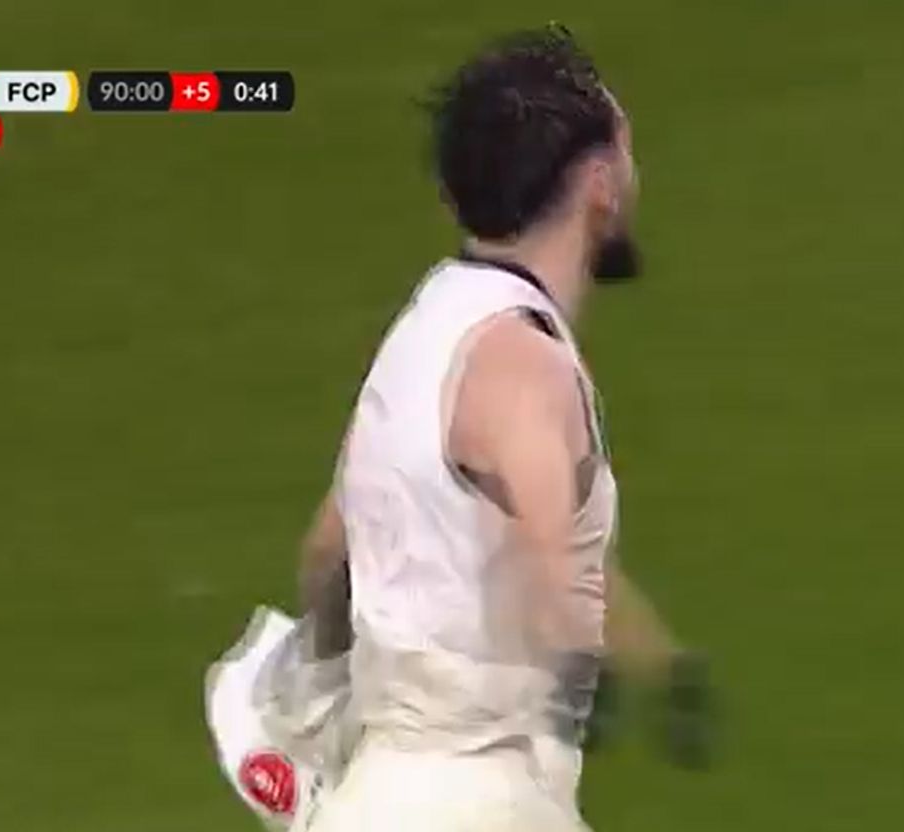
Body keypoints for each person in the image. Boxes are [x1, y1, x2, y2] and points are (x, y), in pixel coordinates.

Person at [298, 25, 706, 831]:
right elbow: (550, 562)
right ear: (598, 184)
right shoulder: (524, 364)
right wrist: (583, 670)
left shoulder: (424, 330)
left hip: (373, 794)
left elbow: (326, 553)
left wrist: (322, 696)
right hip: (482, 799)